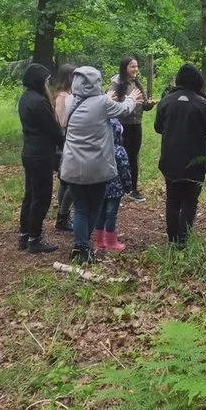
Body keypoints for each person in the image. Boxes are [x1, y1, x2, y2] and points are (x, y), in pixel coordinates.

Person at [59, 66, 142, 263]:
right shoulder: (103, 103)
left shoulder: (70, 100)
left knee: (80, 208)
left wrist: (107, 98)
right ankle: (85, 247)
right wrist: (132, 97)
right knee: (94, 208)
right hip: (96, 168)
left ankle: (80, 248)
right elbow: (124, 109)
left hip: (71, 166)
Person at [154, 63, 206, 247]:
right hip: (195, 162)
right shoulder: (202, 103)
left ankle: (172, 239)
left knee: (172, 200)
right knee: (190, 201)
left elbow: (158, 127)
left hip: (170, 161)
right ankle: (183, 240)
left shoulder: (166, 101)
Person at [18, 63, 65, 254]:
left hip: (29, 152)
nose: (48, 83)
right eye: (46, 80)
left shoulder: (25, 99)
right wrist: (65, 146)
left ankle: (24, 235)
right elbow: (53, 130)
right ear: (39, 81)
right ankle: (34, 238)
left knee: (30, 195)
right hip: (41, 155)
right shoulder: (39, 102)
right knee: (41, 197)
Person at [108, 56, 156, 203]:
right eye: (132, 67)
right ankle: (119, 189)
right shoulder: (117, 83)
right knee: (120, 157)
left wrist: (150, 104)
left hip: (136, 124)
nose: (135, 69)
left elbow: (144, 105)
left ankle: (133, 189)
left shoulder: (137, 83)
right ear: (125, 68)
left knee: (133, 157)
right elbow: (110, 102)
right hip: (122, 126)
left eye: (136, 66)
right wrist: (126, 100)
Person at [95, 119, 132, 252]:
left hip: (99, 187)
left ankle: (99, 240)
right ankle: (111, 240)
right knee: (111, 214)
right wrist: (128, 186)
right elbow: (125, 170)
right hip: (115, 189)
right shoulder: (119, 151)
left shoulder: (97, 149)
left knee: (100, 213)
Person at [53, 63, 76, 233]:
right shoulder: (62, 97)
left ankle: (63, 214)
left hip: (69, 142)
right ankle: (62, 215)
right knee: (68, 182)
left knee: (65, 181)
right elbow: (62, 122)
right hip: (66, 143)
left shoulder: (69, 95)